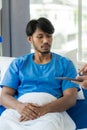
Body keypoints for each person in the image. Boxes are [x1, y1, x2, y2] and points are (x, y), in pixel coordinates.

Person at [0, 17, 79, 130]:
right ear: (30, 39)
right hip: (19, 111)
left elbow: (70, 98)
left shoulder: (65, 64)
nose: (46, 41)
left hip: (50, 112)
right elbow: (4, 96)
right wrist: (20, 107)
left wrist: (43, 109)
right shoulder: (18, 64)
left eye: (49, 36)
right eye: (40, 36)